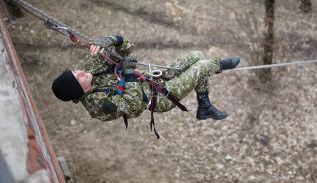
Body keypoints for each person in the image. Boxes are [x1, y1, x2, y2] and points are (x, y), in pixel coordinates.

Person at [51, 35, 240, 125]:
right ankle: (219, 65)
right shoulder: (98, 105)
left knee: (196, 55)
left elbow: (128, 47)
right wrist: (129, 73)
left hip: (152, 79)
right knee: (203, 66)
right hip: (159, 98)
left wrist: (110, 40)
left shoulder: (90, 68)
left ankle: (204, 105)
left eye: (77, 71)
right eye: (79, 78)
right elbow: (133, 107)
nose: (82, 72)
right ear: (81, 91)